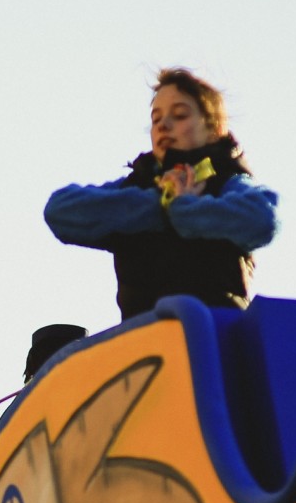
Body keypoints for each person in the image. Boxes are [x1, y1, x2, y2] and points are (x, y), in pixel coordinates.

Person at [44, 67, 279, 321]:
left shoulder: (226, 180)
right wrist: (161, 203)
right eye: (156, 119)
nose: (164, 126)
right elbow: (61, 211)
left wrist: (188, 209)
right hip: (148, 347)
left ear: (213, 129)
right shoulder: (139, 187)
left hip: (213, 339)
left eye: (179, 115)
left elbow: (261, 220)